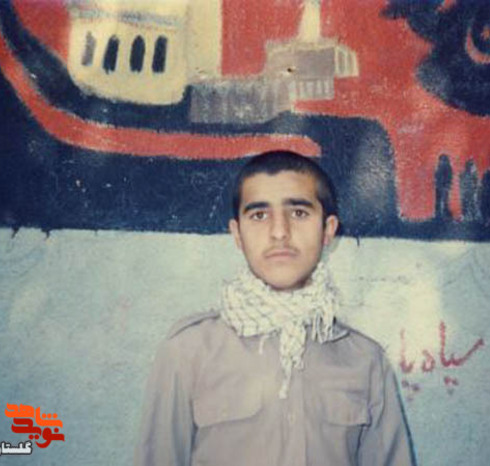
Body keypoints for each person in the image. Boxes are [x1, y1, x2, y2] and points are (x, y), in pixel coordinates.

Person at [134, 151, 414, 466]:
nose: (279, 231)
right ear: (237, 234)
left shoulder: (365, 361)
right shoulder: (187, 353)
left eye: (299, 213)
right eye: (259, 215)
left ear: (327, 230)